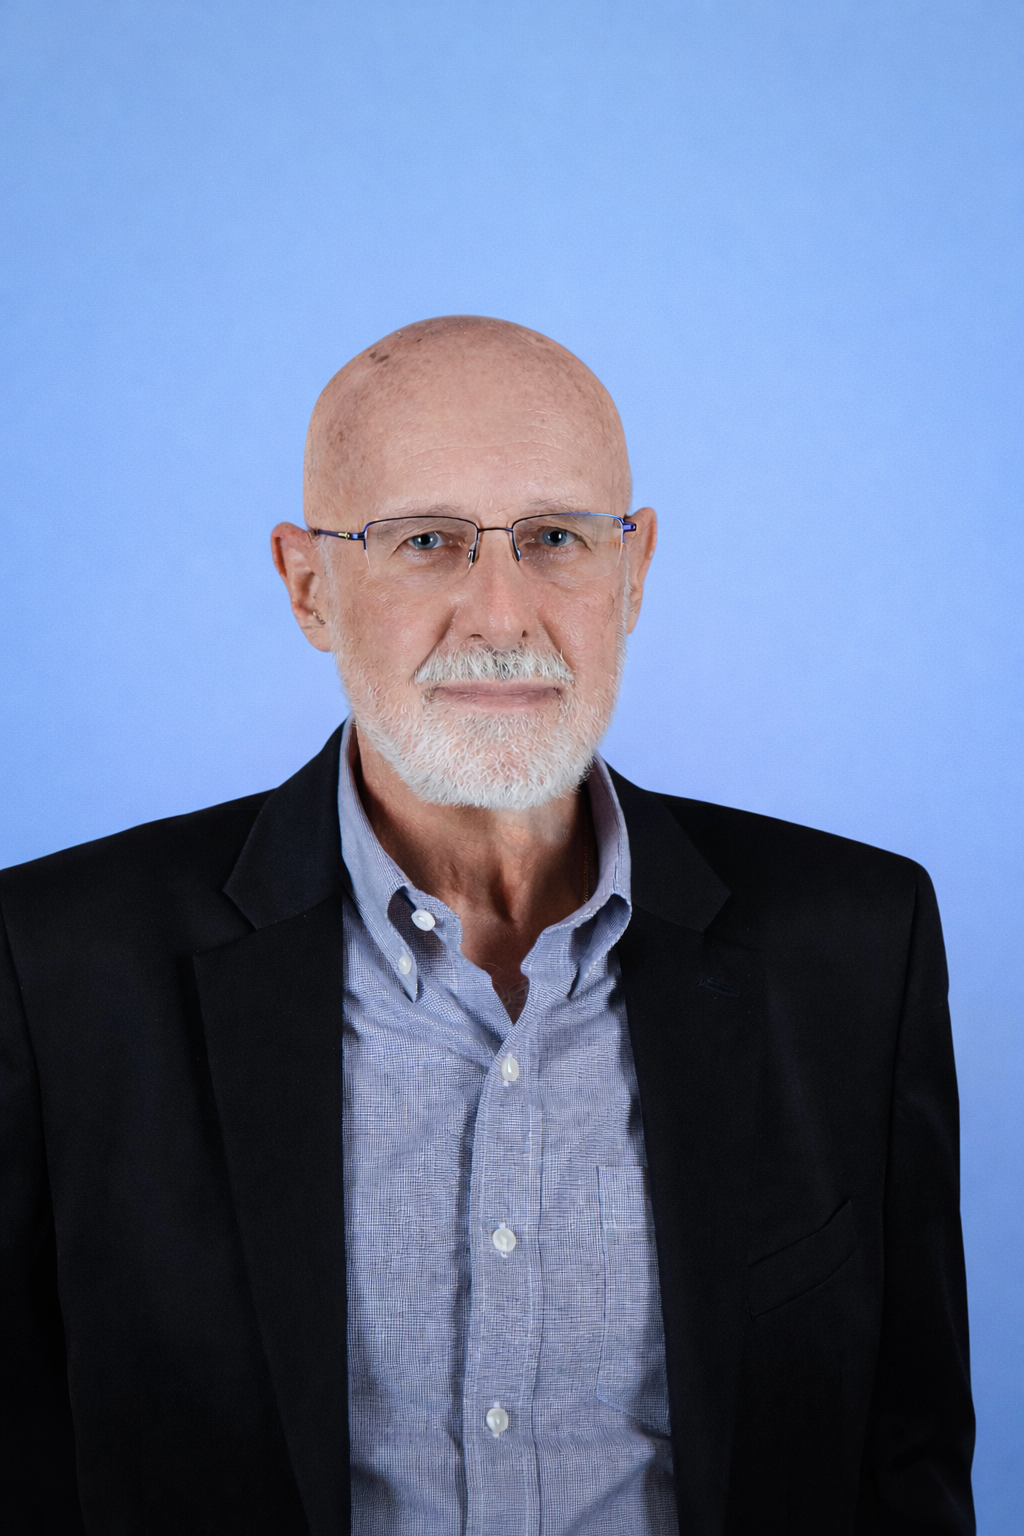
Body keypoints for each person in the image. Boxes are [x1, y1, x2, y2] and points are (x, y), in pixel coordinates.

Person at [0, 316, 974, 1535]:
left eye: (557, 538)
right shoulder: (56, 966)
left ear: (634, 571)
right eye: (427, 543)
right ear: (309, 585)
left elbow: (908, 1460)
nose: (500, 612)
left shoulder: (854, 949)